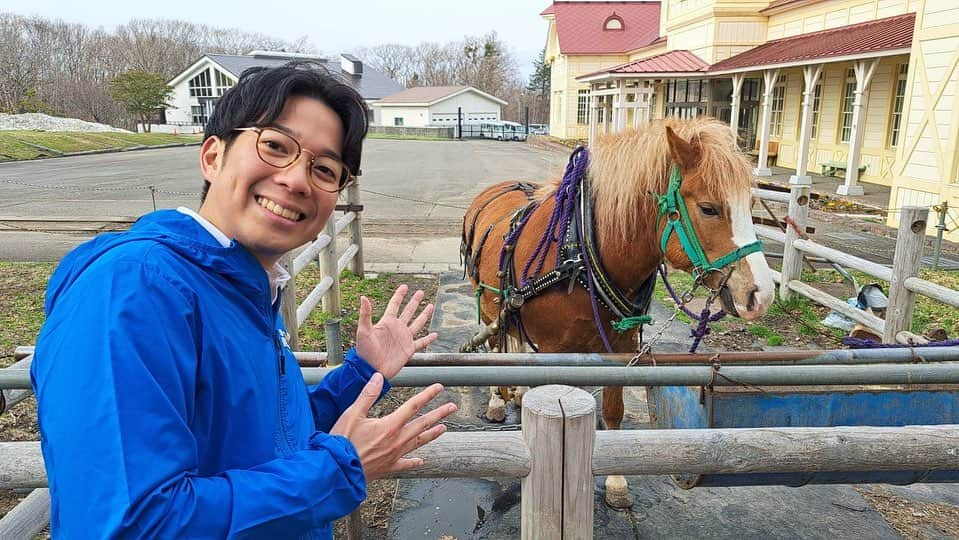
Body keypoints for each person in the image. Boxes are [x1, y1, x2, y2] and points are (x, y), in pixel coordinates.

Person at [31, 61, 457, 538]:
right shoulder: (132, 290)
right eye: (275, 146)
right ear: (213, 156)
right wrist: (337, 470)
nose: (297, 180)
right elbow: (133, 523)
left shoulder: (241, 288)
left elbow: (264, 437)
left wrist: (358, 373)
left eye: (324, 169)